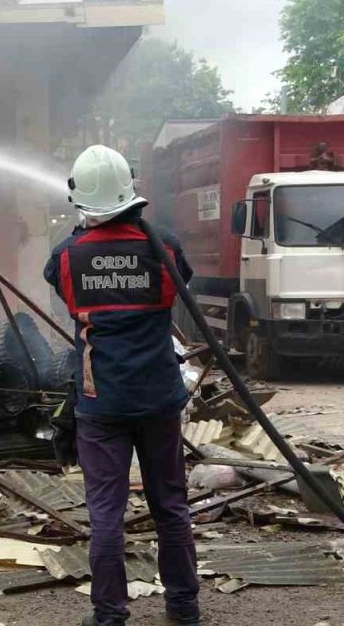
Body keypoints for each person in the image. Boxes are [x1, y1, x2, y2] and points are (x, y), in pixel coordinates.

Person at [43, 145, 200, 626]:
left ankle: (109, 615)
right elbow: (181, 282)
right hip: (158, 398)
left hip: (101, 401)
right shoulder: (165, 247)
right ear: (130, 189)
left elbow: (60, 284)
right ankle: (183, 608)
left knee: (106, 514)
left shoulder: (68, 256)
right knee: (170, 506)